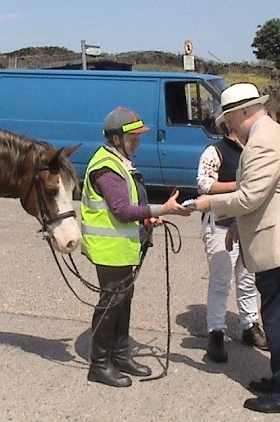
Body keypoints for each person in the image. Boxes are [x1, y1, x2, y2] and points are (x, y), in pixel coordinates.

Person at [194, 83, 280, 415]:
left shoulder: (263, 142)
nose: (230, 128)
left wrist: (209, 203)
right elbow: (265, 197)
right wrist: (235, 229)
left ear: (244, 112)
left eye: (230, 120)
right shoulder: (272, 135)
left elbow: (248, 197)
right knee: (279, 318)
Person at [81, 106, 192, 388]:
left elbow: (129, 206)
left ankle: (120, 355)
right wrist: (162, 208)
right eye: (133, 138)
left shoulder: (119, 160)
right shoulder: (106, 167)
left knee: (122, 301)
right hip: (109, 248)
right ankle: (99, 364)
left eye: (138, 138)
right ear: (116, 139)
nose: (138, 143)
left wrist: (147, 217)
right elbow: (121, 210)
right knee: (111, 304)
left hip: (122, 246)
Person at [197, 122, 267, 363]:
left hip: (247, 223)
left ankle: (250, 325)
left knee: (247, 279)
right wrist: (239, 188)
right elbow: (204, 184)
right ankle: (215, 332)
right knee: (221, 280)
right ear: (230, 125)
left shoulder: (253, 149)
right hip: (220, 223)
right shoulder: (215, 151)